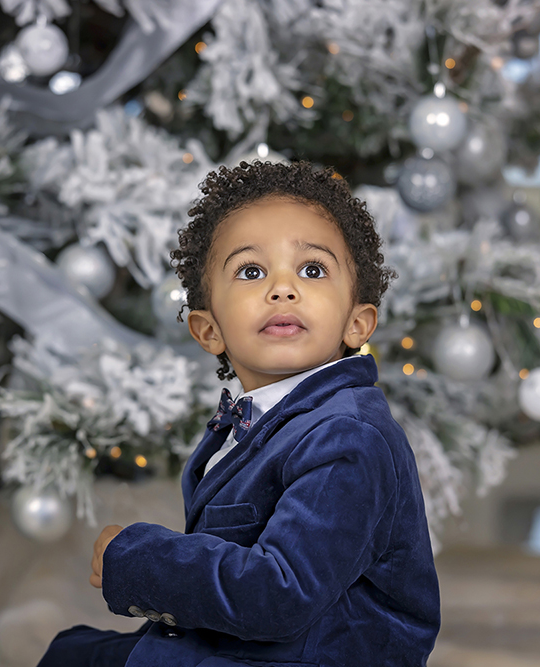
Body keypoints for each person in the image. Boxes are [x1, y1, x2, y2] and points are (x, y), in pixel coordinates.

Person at [37, 160, 441, 666]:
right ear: (209, 331)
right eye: (251, 272)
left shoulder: (347, 436)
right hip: (255, 647)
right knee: (72, 652)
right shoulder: (257, 422)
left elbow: (280, 594)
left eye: (312, 270)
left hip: (323, 654)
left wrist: (142, 560)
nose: (282, 288)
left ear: (357, 324)